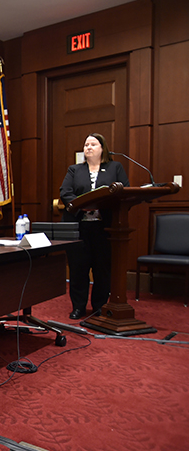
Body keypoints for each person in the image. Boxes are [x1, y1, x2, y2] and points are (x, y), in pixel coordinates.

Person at [60, 133, 129, 320]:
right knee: (78, 269)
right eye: (86, 145)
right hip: (80, 228)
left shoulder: (115, 167)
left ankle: (99, 306)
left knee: (102, 269)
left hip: (105, 228)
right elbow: (65, 192)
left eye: (93, 144)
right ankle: (78, 307)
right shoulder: (74, 170)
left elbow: (125, 190)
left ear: (102, 148)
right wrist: (82, 205)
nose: (88, 147)